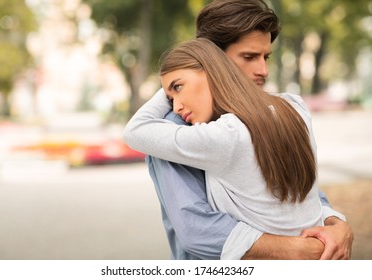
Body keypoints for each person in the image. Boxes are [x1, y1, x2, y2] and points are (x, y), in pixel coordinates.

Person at [129, 0, 353, 260]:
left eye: (266, 57)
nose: (263, 71)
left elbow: (300, 191)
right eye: (249, 57)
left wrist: (336, 224)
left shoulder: (279, 112)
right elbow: (197, 230)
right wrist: (301, 249)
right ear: (214, 60)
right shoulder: (174, 128)